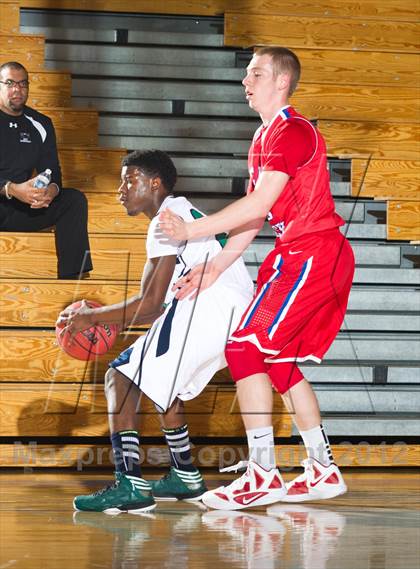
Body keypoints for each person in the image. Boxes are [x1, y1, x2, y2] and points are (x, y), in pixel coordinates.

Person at [160, 46, 355, 509]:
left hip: (313, 253)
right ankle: (322, 468)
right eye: (246, 73)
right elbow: (253, 220)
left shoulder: (293, 131)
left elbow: (257, 205)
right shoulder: (263, 136)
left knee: (245, 347)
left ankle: (263, 473)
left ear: (282, 81)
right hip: (298, 254)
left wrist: (191, 230)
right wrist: (214, 268)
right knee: (277, 363)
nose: (246, 80)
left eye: (257, 73)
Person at [58, 149, 253, 513]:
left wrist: (91, 319)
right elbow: (155, 307)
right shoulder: (183, 211)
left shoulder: (165, 220)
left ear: (155, 183)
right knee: (163, 382)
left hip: (209, 308)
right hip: (236, 313)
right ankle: (184, 475)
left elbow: (148, 306)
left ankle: (130, 484)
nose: (121, 189)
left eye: (129, 180)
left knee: (120, 376)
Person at [0, 61, 92, 278]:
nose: (17, 89)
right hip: (5, 196)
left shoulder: (40, 123)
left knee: (74, 200)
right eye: (10, 83)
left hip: (22, 209)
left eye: (23, 84)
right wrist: (11, 188)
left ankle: (72, 281)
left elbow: (52, 171)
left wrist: (51, 190)